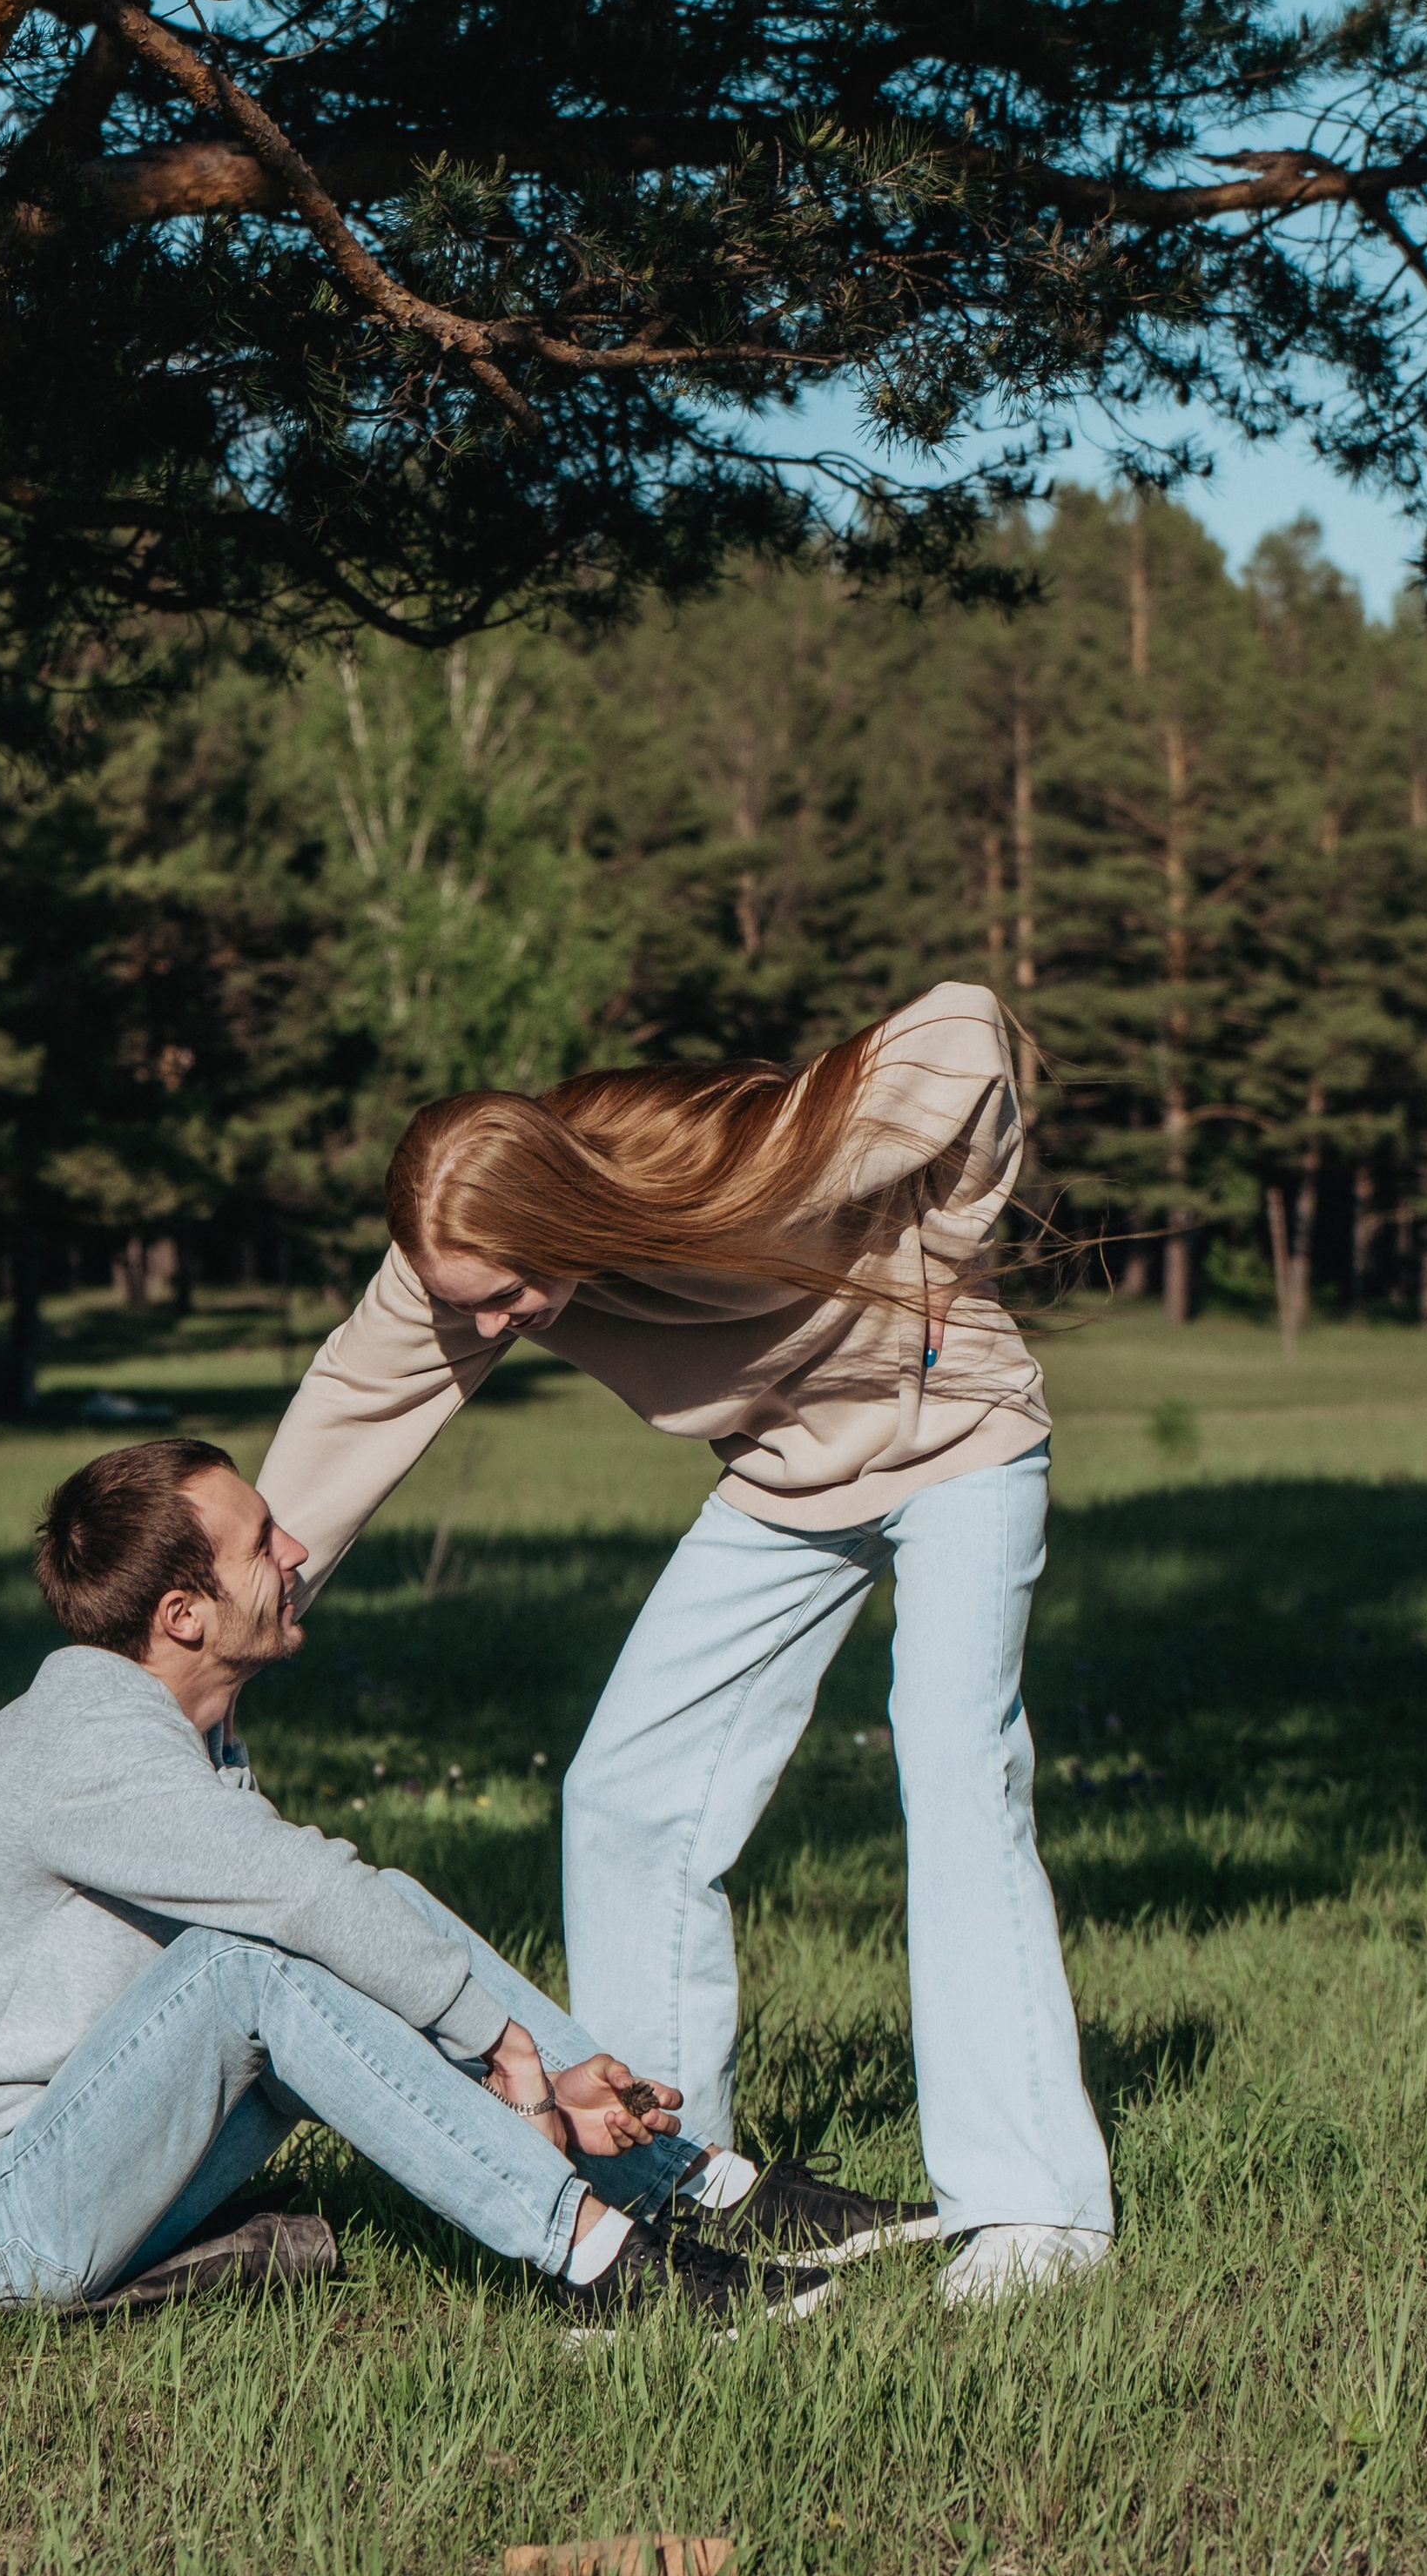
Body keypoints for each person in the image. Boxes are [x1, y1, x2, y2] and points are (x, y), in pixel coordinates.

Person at [257, 979, 1114, 2304]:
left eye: (506, 1296)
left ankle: (1032, 2216)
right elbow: (355, 1408)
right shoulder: (463, 1271)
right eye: (462, 1304)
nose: (490, 1329)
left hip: (963, 1450)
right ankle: (666, 2180)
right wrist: (254, 1599)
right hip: (787, 1481)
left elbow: (965, 1026)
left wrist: (951, 1232)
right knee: (626, 1794)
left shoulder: (736, 1165)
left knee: (954, 1773)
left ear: (560, 1217)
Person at [0, 1433, 840, 2329]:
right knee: (252, 1969)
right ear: (182, 1615)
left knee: (379, 1909)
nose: (295, 1556)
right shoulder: (89, 1749)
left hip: (84, 2158)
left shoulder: (160, 1728)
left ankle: (674, 2179)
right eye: (262, 1543)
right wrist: (500, 2043)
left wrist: (533, 2062)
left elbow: (337, 1907)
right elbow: (302, 1899)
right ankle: (598, 2262)